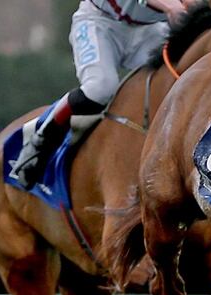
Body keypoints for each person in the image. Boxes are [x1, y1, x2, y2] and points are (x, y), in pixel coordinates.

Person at [12, 0, 188, 188]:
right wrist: (172, 6)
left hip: (150, 30)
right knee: (99, 89)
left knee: (181, 80)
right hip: (99, 21)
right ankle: (40, 140)